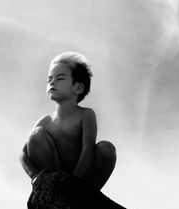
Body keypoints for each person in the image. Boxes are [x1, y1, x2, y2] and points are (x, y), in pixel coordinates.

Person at [19, 52, 116, 191]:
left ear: (78, 88)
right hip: (56, 176)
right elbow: (23, 153)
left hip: (82, 179)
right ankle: (54, 188)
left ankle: (90, 196)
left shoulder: (86, 114)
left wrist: (74, 182)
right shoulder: (45, 121)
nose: (52, 82)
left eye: (60, 78)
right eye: (49, 79)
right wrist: (34, 176)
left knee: (107, 148)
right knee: (36, 135)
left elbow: (87, 149)